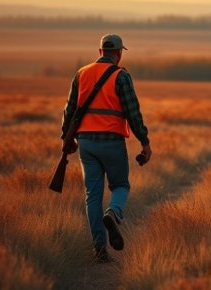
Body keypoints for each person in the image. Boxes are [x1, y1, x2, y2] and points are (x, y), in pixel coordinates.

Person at [60, 34, 151, 263]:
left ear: (100, 51)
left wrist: (66, 138)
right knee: (120, 185)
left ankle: (100, 249)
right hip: (112, 142)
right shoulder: (121, 76)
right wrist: (145, 141)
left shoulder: (81, 73)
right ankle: (113, 213)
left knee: (92, 196)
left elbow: (69, 110)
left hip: (87, 145)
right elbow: (133, 112)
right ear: (119, 53)